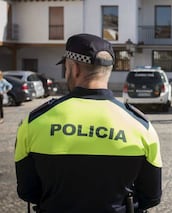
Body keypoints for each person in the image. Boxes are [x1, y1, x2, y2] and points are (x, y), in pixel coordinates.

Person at [14, 33, 162, 212]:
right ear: (108, 70)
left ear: (74, 68)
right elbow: (151, 196)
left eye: (66, 68)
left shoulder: (33, 122)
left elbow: (28, 192)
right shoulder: (141, 127)